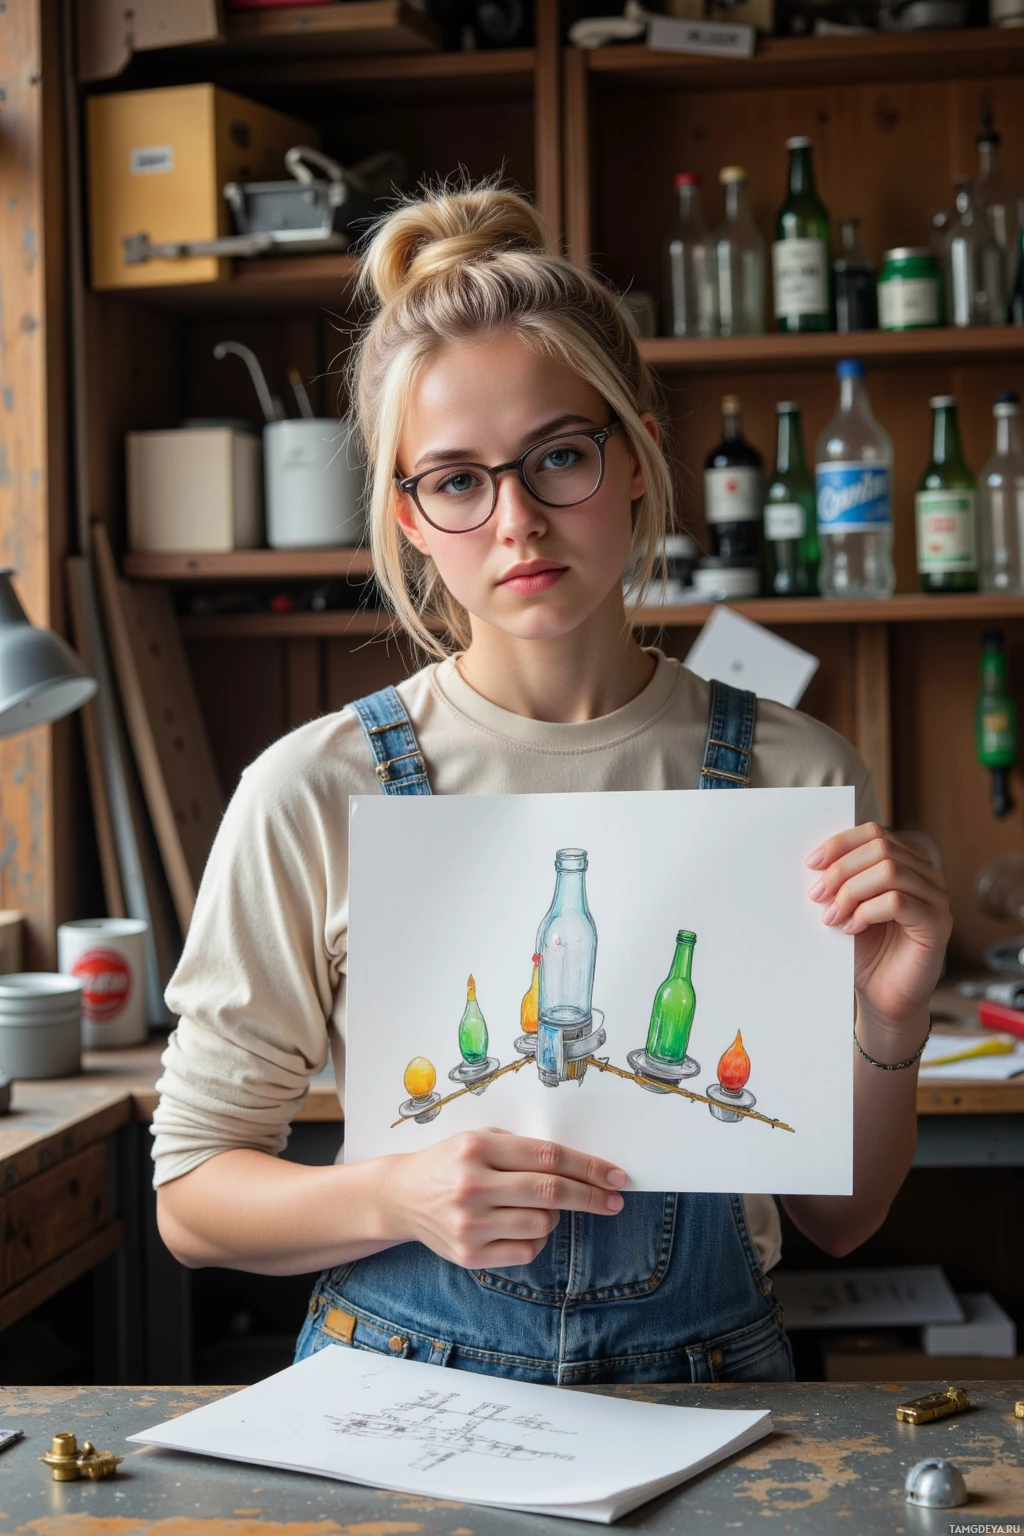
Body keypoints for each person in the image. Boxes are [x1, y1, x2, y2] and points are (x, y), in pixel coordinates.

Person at [152, 183, 952, 1386]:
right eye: (458, 481)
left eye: (557, 457)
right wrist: (399, 1196)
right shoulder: (314, 789)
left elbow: (839, 1221)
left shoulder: (792, 775)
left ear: (633, 455)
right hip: (398, 1387)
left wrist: (890, 1020)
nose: (516, 521)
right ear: (410, 518)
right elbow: (194, 1197)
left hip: (705, 1386)